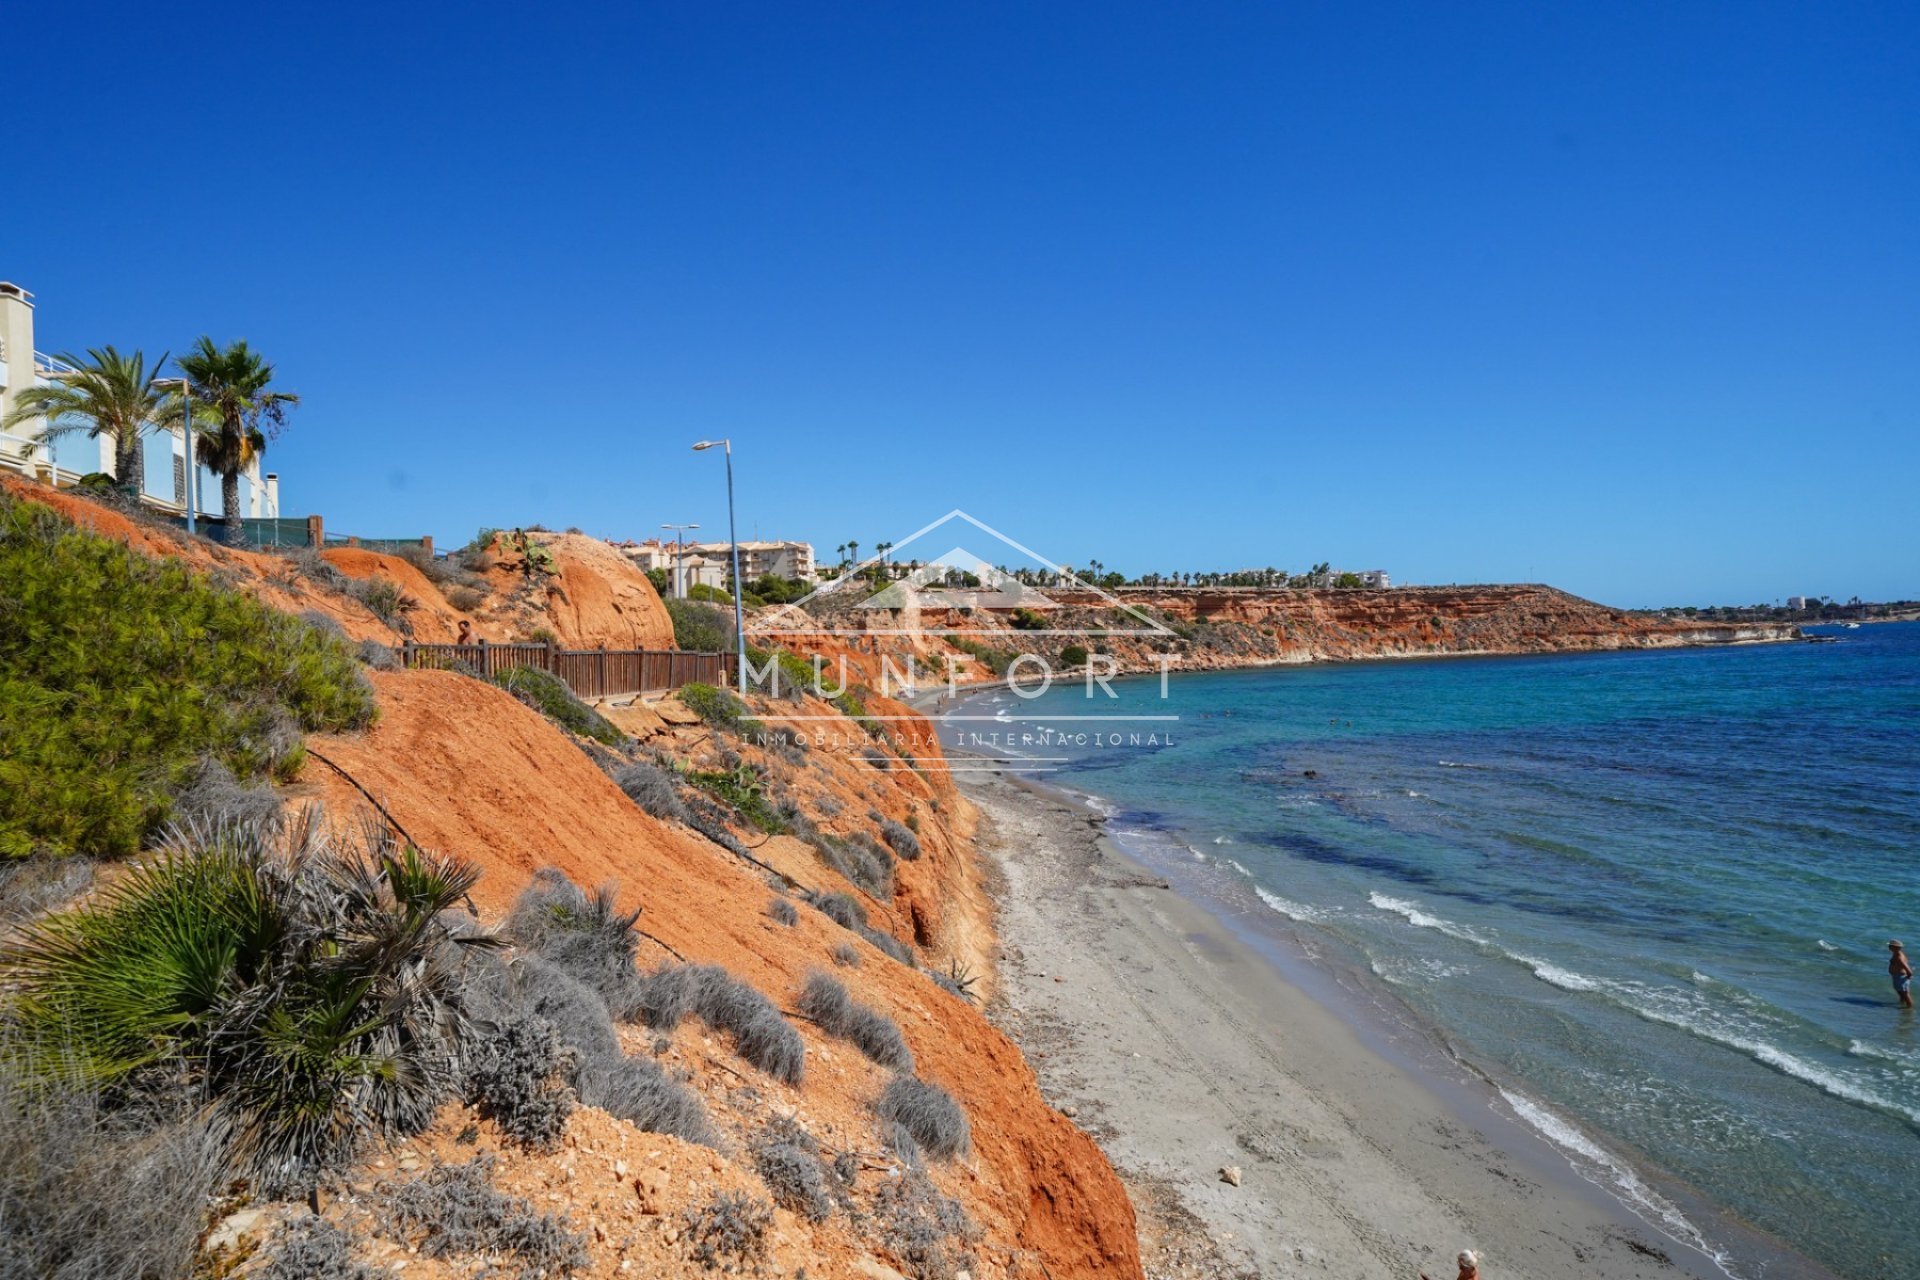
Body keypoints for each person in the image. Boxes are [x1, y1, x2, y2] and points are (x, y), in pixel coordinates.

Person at [1891, 941, 1913, 1010]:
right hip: (1897, 976)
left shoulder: (1899, 957)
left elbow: (1907, 969)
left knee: (1905, 993)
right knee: (1901, 992)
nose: (1889, 947)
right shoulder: (1896, 953)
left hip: (1901, 977)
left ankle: (1909, 1008)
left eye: (1890, 946)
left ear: (1895, 947)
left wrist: (1908, 976)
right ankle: (1902, 1002)